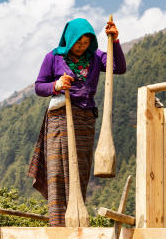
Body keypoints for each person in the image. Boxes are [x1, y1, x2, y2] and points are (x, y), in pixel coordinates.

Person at [28, 18, 126, 226]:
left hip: (85, 121)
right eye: (78, 43)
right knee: (57, 172)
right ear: (69, 40)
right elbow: (39, 87)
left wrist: (115, 41)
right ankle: (58, 224)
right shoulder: (54, 57)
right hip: (59, 119)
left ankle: (77, 219)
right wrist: (57, 84)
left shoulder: (97, 56)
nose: (82, 47)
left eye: (86, 42)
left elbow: (118, 67)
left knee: (79, 172)